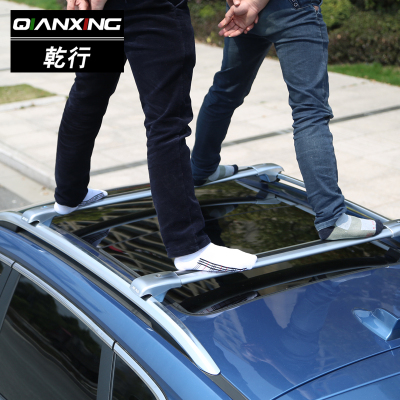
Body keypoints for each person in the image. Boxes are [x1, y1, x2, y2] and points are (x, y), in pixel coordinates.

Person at [54, 0, 257, 272]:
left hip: (98, 7)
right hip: (151, 8)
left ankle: (69, 196)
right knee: (166, 122)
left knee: (87, 96)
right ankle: (189, 247)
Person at [191, 0, 383, 241]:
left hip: (246, 9)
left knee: (225, 91)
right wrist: (254, 4)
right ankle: (332, 218)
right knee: (310, 112)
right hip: (292, 8)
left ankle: (202, 168)